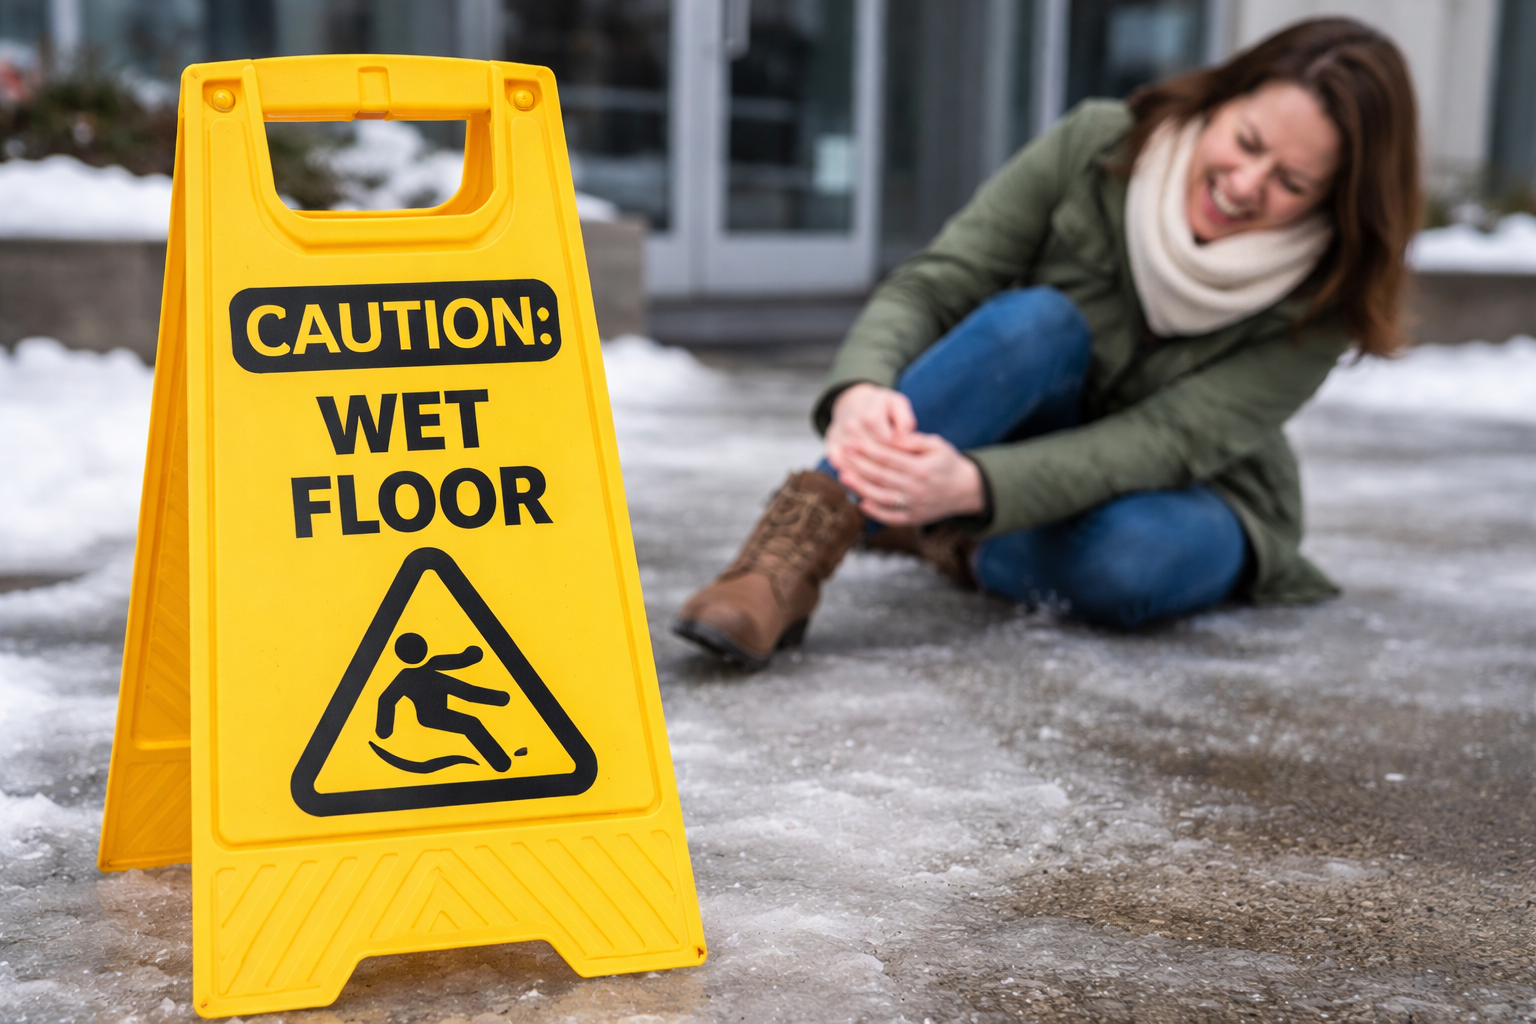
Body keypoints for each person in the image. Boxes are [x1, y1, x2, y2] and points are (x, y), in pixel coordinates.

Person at [673, 17, 1421, 670]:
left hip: (1191, 492)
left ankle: (958, 538)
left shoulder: (1328, 298)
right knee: (1033, 322)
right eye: (1246, 141)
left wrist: (977, 488)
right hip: (1037, 430)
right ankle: (781, 565)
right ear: (1219, 100)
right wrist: (863, 386)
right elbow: (939, 282)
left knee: (1133, 563)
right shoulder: (1098, 144)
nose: (1246, 183)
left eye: (1291, 182)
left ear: (1334, 201)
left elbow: (1163, 442)